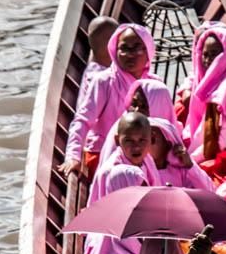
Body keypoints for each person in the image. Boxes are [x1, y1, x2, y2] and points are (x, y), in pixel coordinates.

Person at [61, 23, 155, 176]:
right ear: (114, 51)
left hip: (142, 152)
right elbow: (82, 121)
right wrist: (73, 156)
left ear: (148, 50)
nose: (130, 54)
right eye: (124, 48)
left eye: (137, 47)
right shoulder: (104, 81)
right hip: (104, 154)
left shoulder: (153, 85)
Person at [179, 23, 226, 166]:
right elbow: (193, 76)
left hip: (221, 153)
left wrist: (190, 160)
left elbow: (221, 141)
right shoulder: (208, 79)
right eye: (205, 54)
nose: (208, 60)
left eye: (215, 54)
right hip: (201, 148)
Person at [98, 77, 180, 166]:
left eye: (144, 106)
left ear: (159, 107)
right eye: (134, 104)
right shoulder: (124, 129)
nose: (136, 110)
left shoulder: (171, 135)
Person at [91, 111, 159, 202]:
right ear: (117, 140)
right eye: (129, 141)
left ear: (152, 139)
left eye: (142, 140)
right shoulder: (114, 173)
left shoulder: (147, 160)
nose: (136, 147)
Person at [148, 117, 214, 190]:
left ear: (168, 144)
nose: (145, 144)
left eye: (152, 139)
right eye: (142, 139)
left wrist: (190, 166)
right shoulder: (140, 172)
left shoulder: (182, 171)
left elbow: (209, 191)